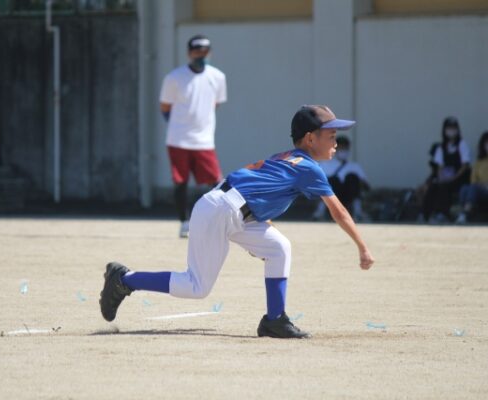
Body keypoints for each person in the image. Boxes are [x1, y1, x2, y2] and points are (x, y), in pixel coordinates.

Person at [99, 105, 375, 339]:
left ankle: (274, 319)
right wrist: (362, 247)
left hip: (233, 211)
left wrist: (261, 236)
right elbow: (339, 211)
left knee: (278, 247)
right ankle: (124, 279)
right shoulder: (310, 169)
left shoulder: (286, 158)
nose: (336, 143)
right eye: (331, 135)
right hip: (220, 211)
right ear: (310, 139)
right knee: (196, 287)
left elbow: (258, 192)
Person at [159, 34, 228, 238]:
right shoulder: (174, 78)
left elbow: (216, 103)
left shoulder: (218, 77)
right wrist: (180, 125)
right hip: (178, 139)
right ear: (189, 53)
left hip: (204, 140)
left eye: (205, 51)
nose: (201, 55)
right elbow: (165, 108)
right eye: (197, 51)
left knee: (216, 182)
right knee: (180, 182)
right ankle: (184, 222)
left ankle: (219, 222)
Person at [420, 116, 471, 223]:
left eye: (453, 128)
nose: (451, 131)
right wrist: (441, 177)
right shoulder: (441, 147)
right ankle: (425, 214)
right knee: (434, 185)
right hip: (445, 177)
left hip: (459, 178)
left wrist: (453, 178)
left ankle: (442, 214)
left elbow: (465, 165)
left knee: (445, 187)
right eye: (449, 128)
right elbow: (439, 167)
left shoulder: (462, 144)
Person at [311, 136, 370, 221]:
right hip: (332, 198)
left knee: (352, 177)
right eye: (341, 148)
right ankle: (320, 212)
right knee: (332, 180)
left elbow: (366, 185)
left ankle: (358, 212)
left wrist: (358, 183)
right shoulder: (325, 164)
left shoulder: (354, 166)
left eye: (345, 148)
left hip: (349, 196)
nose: (343, 151)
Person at [455, 131, 488, 224]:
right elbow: (473, 180)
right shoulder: (479, 163)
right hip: (481, 189)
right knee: (465, 188)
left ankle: (464, 213)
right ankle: (464, 211)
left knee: (473, 188)